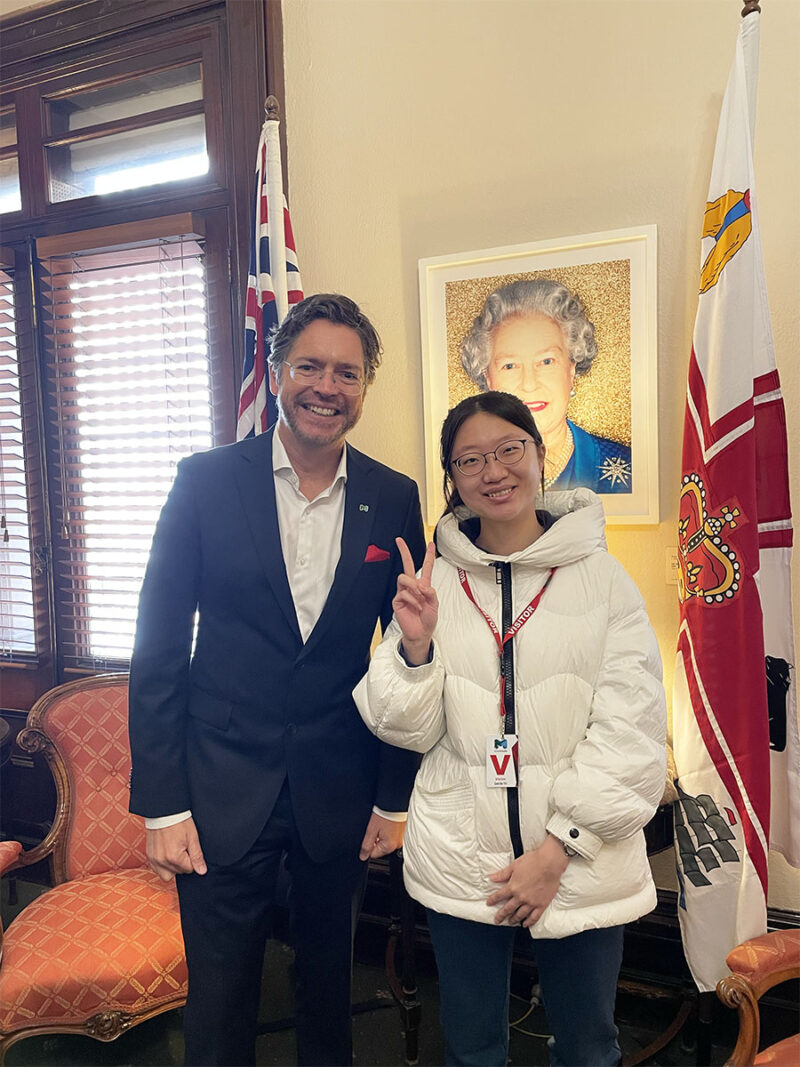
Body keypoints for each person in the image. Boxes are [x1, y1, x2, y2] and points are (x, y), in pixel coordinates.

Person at [128, 293, 425, 1067]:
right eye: (311, 366)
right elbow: (158, 645)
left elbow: (406, 651)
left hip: (340, 790)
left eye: (347, 373)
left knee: (330, 993)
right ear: (278, 371)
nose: (328, 386)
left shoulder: (393, 495)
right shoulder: (203, 482)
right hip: (220, 789)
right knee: (222, 998)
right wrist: (163, 801)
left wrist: (394, 796)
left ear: (365, 387)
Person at [355, 391, 666, 1066]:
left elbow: (631, 730)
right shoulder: (433, 582)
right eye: (470, 459)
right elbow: (400, 726)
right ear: (452, 477)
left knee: (588, 1046)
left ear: (539, 452)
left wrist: (558, 852)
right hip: (462, 856)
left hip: (577, 860)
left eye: (508, 449)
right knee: (471, 1046)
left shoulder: (603, 581)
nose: (492, 471)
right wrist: (415, 649)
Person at [460, 278, 632, 493]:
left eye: (546, 361)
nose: (529, 384)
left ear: (571, 369)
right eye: (510, 365)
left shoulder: (625, 468)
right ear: (488, 378)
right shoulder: (469, 476)